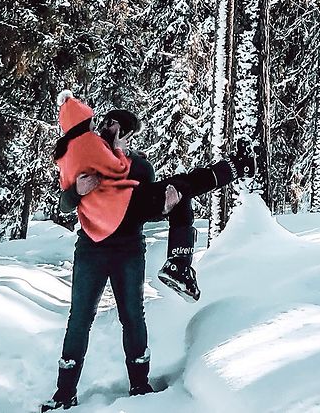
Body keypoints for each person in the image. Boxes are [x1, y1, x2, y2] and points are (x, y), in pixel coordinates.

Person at [41, 91, 254, 411]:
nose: (121, 136)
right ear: (104, 128)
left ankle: (139, 384)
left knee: (132, 317)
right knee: (79, 319)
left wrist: (168, 202)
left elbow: (140, 206)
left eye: (125, 132)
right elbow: (63, 203)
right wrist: (76, 191)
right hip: (91, 249)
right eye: (115, 128)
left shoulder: (137, 166)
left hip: (129, 249)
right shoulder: (86, 155)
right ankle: (63, 394)